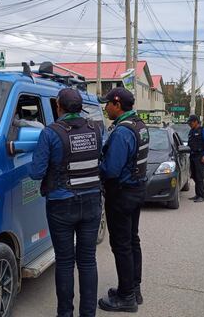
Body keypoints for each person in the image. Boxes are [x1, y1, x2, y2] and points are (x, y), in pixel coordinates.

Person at [29, 88, 103, 317]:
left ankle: (65, 314)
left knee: (65, 261)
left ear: (58, 106)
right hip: (92, 201)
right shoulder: (96, 129)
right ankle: (88, 314)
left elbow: (36, 172)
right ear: (80, 107)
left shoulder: (50, 133)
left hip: (61, 204)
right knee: (88, 260)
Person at [98, 87, 149, 313]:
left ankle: (126, 297)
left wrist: (93, 166)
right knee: (132, 241)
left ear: (117, 105)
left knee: (121, 245)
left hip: (121, 194)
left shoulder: (121, 133)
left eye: (107, 103)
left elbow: (111, 170)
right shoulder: (139, 125)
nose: (105, 107)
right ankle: (133, 289)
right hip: (136, 190)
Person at [187, 115, 204, 203]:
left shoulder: (203, 130)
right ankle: (197, 194)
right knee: (194, 176)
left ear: (196, 121)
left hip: (200, 156)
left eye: (191, 122)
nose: (190, 124)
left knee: (199, 177)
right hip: (192, 156)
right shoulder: (191, 131)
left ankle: (201, 196)